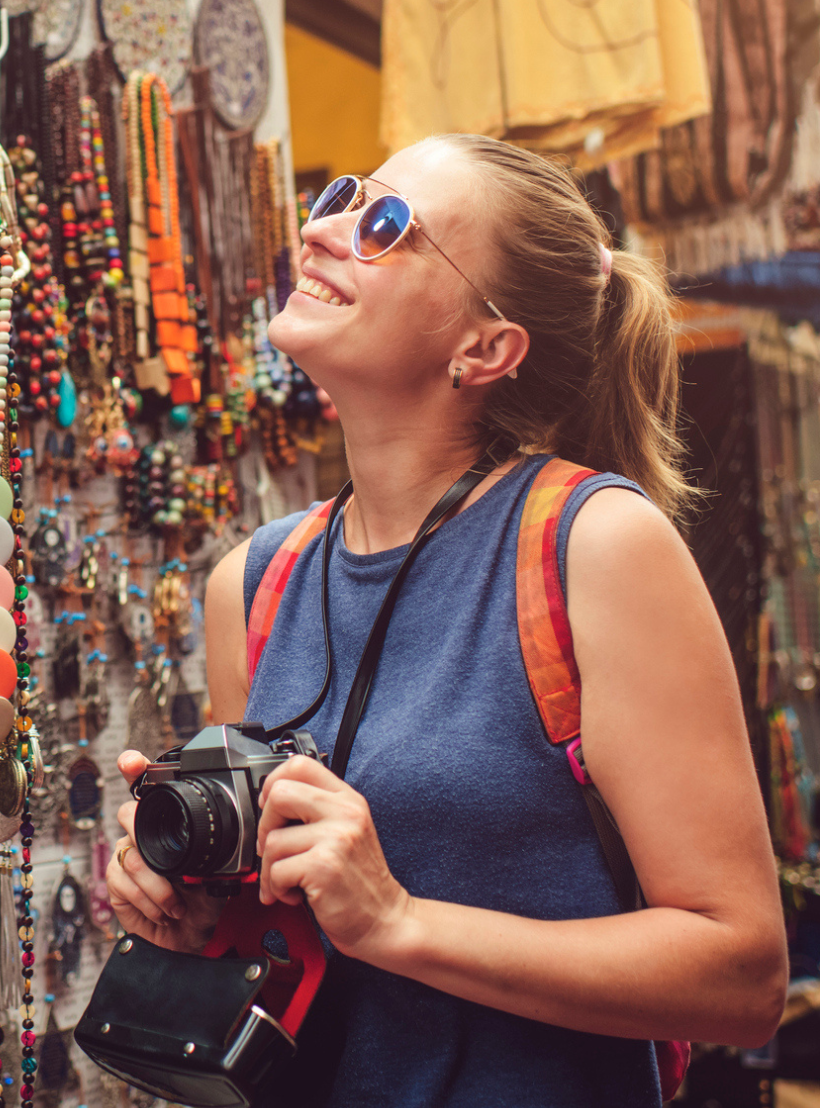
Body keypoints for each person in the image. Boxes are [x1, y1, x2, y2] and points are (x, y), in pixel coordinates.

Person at [107, 135, 788, 1107]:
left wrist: (400, 921)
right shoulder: (253, 582)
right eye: (340, 196)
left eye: (385, 225)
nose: (319, 229)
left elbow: (743, 974)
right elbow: (276, 936)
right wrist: (189, 908)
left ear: (485, 347)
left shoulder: (591, 544)